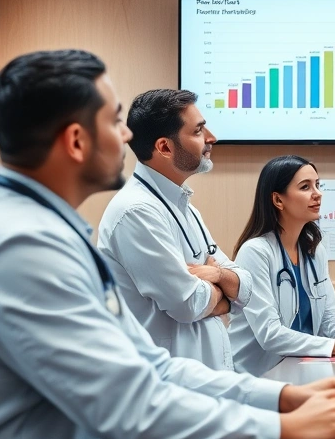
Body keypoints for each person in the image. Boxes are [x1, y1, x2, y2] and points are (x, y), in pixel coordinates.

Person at [0, 50, 335, 439]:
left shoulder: (48, 230)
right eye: (114, 121)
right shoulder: (23, 245)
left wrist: (285, 398)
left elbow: (153, 366)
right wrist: (287, 427)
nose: (127, 134)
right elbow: (132, 399)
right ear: (76, 141)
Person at [98, 89, 246, 370]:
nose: (211, 138)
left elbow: (246, 288)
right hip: (169, 391)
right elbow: (188, 304)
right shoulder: (137, 211)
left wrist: (215, 275)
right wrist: (224, 292)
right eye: (199, 131)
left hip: (204, 385)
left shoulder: (184, 207)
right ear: (165, 147)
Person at [229, 155, 335, 376]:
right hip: (257, 377)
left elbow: (330, 317)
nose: (317, 193)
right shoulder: (255, 252)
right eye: (305, 187)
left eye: (318, 185)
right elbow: (270, 334)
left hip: (299, 372)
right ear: (278, 200)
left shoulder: (314, 250)